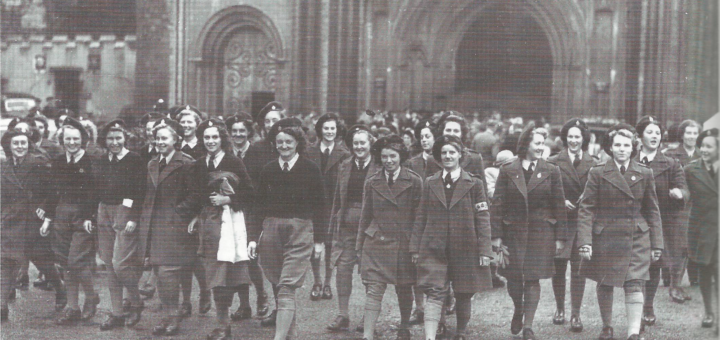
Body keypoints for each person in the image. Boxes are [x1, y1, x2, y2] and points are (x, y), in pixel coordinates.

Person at [577, 124, 663, 340]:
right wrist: (585, 241)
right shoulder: (597, 173)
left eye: (626, 145)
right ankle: (607, 326)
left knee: (634, 282)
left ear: (633, 148)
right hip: (606, 236)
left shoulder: (644, 173)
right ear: (611, 148)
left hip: (637, 236)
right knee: (605, 281)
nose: (622, 149)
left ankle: (633, 332)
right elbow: (586, 208)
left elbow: (653, 210)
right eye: (618, 145)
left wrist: (657, 244)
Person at [247, 117, 326, 340]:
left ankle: (278, 338)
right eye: (280, 142)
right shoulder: (269, 169)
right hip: (271, 231)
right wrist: (253, 238)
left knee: (287, 287)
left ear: (297, 143)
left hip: (300, 231)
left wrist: (319, 241)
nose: (284, 146)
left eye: (288, 142)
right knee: (277, 283)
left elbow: (321, 207)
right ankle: (291, 334)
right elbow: (258, 206)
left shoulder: (310, 169)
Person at [177, 118, 255, 340]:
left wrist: (227, 199)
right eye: (207, 137)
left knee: (226, 272)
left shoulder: (234, 162)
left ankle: (223, 324)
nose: (211, 141)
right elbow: (196, 194)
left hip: (230, 224)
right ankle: (223, 322)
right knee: (213, 271)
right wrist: (194, 215)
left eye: (215, 137)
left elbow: (250, 193)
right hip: (208, 225)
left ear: (222, 139)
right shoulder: (200, 164)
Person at [411, 135, 493, 340]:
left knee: (464, 291)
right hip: (435, 246)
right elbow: (421, 216)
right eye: (444, 153)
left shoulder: (474, 184)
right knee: (435, 288)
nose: (447, 156)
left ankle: (462, 331)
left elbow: (482, 217)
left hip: (465, 247)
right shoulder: (430, 183)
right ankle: (437, 326)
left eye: (452, 152)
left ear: (460, 155)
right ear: (439, 157)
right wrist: (415, 247)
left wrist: (485, 250)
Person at [490, 122, 567, 340]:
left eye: (543, 144)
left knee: (532, 279)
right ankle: (518, 309)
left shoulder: (551, 170)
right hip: (512, 233)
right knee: (514, 279)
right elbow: (498, 204)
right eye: (537, 144)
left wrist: (561, 237)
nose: (541, 148)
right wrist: (495, 236)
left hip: (541, 233)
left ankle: (529, 326)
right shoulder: (508, 170)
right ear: (525, 145)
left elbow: (559, 205)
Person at [356, 135, 423, 340]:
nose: (388, 161)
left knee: (404, 287)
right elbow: (365, 216)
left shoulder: (414, 181)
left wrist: (415, 248)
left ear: (400, 156)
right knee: (374, 288)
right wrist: (359, 246)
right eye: (384, 156)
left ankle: (404, 325)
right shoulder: (372, 181)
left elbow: (420, 217)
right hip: (377, 242)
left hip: (404, 243)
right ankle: (367, 334)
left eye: (393, 156)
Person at [137, 119, 196, 336]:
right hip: (154, 226)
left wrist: (179, 213)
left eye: (165, 138)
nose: (160, 142)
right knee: (160, 272)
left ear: (176, 140)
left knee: (168, 273)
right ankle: (168, 314)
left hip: (174, 227)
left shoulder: (187, 163)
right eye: (158, 138)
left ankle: (173, 316)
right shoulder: (152, 163)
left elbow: (196, 194)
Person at [1, 129, 65, 321]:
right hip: (12, 220)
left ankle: (61, 289)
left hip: (33, 220)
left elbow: (54, 189)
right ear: (9, 147)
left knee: (41, 260)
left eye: (23, 143)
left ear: (28, 144)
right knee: (6, 260)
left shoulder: (38, 163)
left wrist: (45, 209)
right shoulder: (4, 168)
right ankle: (2, 304)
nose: (20, 147)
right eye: (16, 143)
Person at [41, 118, 101, 326]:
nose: (72, 143)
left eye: (76, 138)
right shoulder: (58, 161)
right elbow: (51, 192)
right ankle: (72, 307)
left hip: (82, 217)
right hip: (61, 215)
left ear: (83, 139)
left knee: (77, 261)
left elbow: (95, 193)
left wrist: (90, 217)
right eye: (68, 139)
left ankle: (92, 296)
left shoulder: (91, 161)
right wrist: (48, 218)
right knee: (65, 262)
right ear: (62, 140)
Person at [634, 116, 691, 328]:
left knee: (654, 264)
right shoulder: (628, 158)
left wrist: (679, 193)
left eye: (658, 133)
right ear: (640, 136)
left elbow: (684, 188)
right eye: (650, 132)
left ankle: (647, 305)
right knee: (634, 268)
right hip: (631, 221)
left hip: (658, 222)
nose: (655, 136)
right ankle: (635, 307)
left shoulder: (671, 163)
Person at [326, 125, 380, 332]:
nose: (358, 147)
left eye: (362, 143)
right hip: (347, 226)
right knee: (343, 268)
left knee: (370, 273)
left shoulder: (379, 166)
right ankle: (343, 315)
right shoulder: (345, 165)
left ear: (370, 144)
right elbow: (338, 199)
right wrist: (335, 222)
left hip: (370, 229)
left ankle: (369, 318)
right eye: (355, 143)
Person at [94, 119, 146, 330]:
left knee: (120, 264)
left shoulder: (134, 159)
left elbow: (140, 190)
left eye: (118, 138)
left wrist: (133, 217)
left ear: (125, 138)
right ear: (104, 140)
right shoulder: (101, 160)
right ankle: (116, 313)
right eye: (110, 138)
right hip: (103, 211)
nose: (114, 142)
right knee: (109, 265)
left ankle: (135, 300)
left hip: (125, 210)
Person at [546, 118, 595, 332]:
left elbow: (598, 192)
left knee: (578, 268)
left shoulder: (593, 163)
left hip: (581, 222)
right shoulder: (553, 161)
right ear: (565, 138)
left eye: (578, 137)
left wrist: (587, 199)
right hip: (560, 222)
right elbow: (544, 191)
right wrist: (560, 200)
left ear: (584, 139)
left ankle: (576, 313)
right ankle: (559, 309)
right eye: (571, 136)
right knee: (558, 267)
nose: (574, 140)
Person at [224, 113, 271, 319]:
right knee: (235, 259)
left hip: (252, 211)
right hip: (231, 211)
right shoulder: (225, 154)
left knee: (251, 258)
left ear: (248, 132)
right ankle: (244, 305)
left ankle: (261, 295)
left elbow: (263, 186)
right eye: (234, 131)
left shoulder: (259, 153)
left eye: (242, 131)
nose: (238, 135)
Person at [306, 113, 351, 301]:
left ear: (337, 130)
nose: (329, 132)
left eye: (333, 128)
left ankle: (327, 283)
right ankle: (316, 281)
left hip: (334, 205)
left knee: (331, 245)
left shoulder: (344, 154)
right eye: (326, 128)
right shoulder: (309, 151)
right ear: (320, 130)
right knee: (314, 245)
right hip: (314, 205)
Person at [684, 128, 719, 329]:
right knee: (705, 270)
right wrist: (680, 193)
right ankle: (709, 312)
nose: (704, 150)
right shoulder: (690, 169)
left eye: (709, 146)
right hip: (702, 229)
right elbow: (685, 191)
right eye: (702, 146)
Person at [244, 101, 285, 183]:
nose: (270, 125)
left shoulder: (290, 145)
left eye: (274, 120)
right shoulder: (256, 148)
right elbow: (250, 179)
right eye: (267, 121)